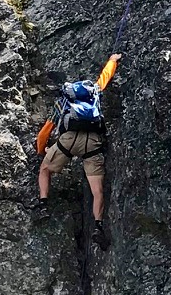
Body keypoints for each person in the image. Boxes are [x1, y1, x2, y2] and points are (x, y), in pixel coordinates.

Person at [36, 54, 120, 245]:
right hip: (92, 143)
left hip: (68, 141)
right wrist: (113, 60)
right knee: (97, 190)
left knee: (45, 169)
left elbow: (43, 135)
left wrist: (43, 152)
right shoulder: (95, 92)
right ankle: (98, 226)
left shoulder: (64, 102)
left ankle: (43, 204)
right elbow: (105, 77)